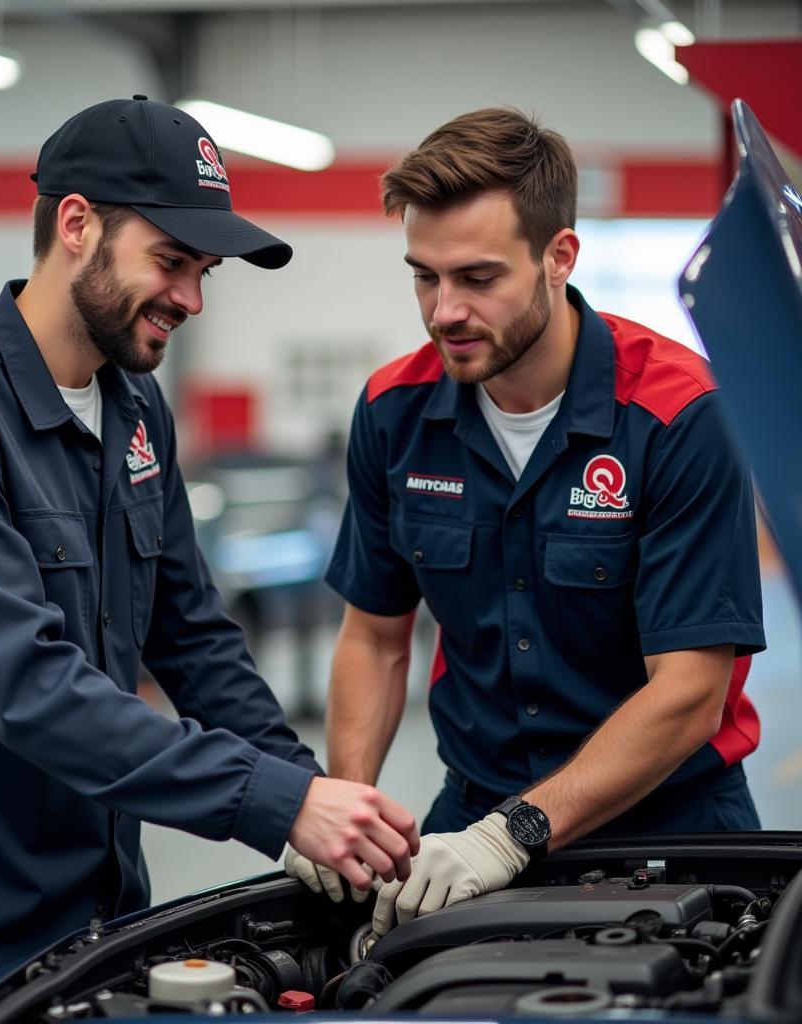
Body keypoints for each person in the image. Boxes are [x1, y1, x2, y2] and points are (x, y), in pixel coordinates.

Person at [0, 96, 419, 1023]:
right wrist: (272, 800)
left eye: (204, 271)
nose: (191, 297)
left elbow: (193, 638)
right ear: (77, 225)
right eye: (171, 261)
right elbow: (26, 684)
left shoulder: (136, 415)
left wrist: (315, 802)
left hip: (105, 926)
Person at [287, 107, 766, 934]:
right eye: (424, 277)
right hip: (471, 817)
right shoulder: (393, 413)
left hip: (672, 821)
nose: (444, 312)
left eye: (477, 279)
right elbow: (374, 636)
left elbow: (691, 692)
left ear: (559, 257)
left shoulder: (677, 415)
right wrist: (349, 807)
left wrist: (515, 836)